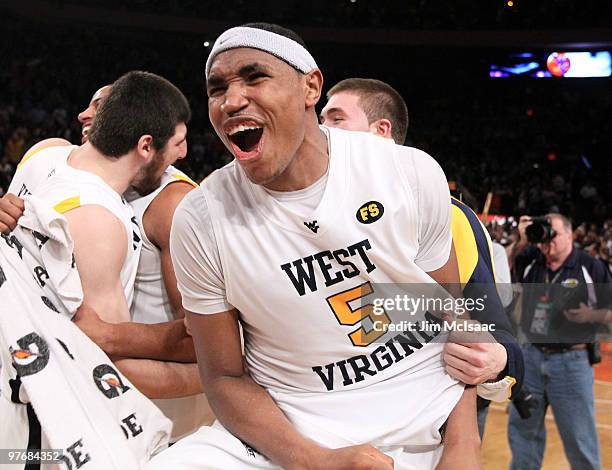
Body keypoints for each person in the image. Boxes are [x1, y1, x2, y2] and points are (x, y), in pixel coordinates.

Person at [148, 23, 482, 470]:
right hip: (290, 430)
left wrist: (464, 448)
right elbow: (224, 376)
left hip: (422, 425)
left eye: (254, 77)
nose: (231, 100)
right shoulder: (200, 219)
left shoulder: (408, 172)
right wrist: (314, 460)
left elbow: (451, 320)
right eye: (217, 88)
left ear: (311, 86)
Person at [0, 82, 213, 441]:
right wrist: (225, 374)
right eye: (177, 142)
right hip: (51, 420)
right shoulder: (99, 216)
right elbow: (104, 368)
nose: (184, 153)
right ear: (146, 144)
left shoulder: (45, 153)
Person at [320, 77, 523, 434]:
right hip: (335, 407)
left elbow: (490, 326)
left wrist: (499, 360)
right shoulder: (307, 216)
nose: (322, 129)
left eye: (336, 119)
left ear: (381, 131)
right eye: (321, 120)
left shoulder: (448, 213)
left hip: (428, 413)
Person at [508, 213, 611, 470]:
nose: (546, 241)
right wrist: (522, 240)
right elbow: (503, 266)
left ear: (569, 234)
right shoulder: (531, 261)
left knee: (579, 437)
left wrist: (592, 315)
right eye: (542, 234)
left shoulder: (590, 266)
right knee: (522, 432)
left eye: (550, 233)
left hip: (571, 362)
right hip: (530, 357)